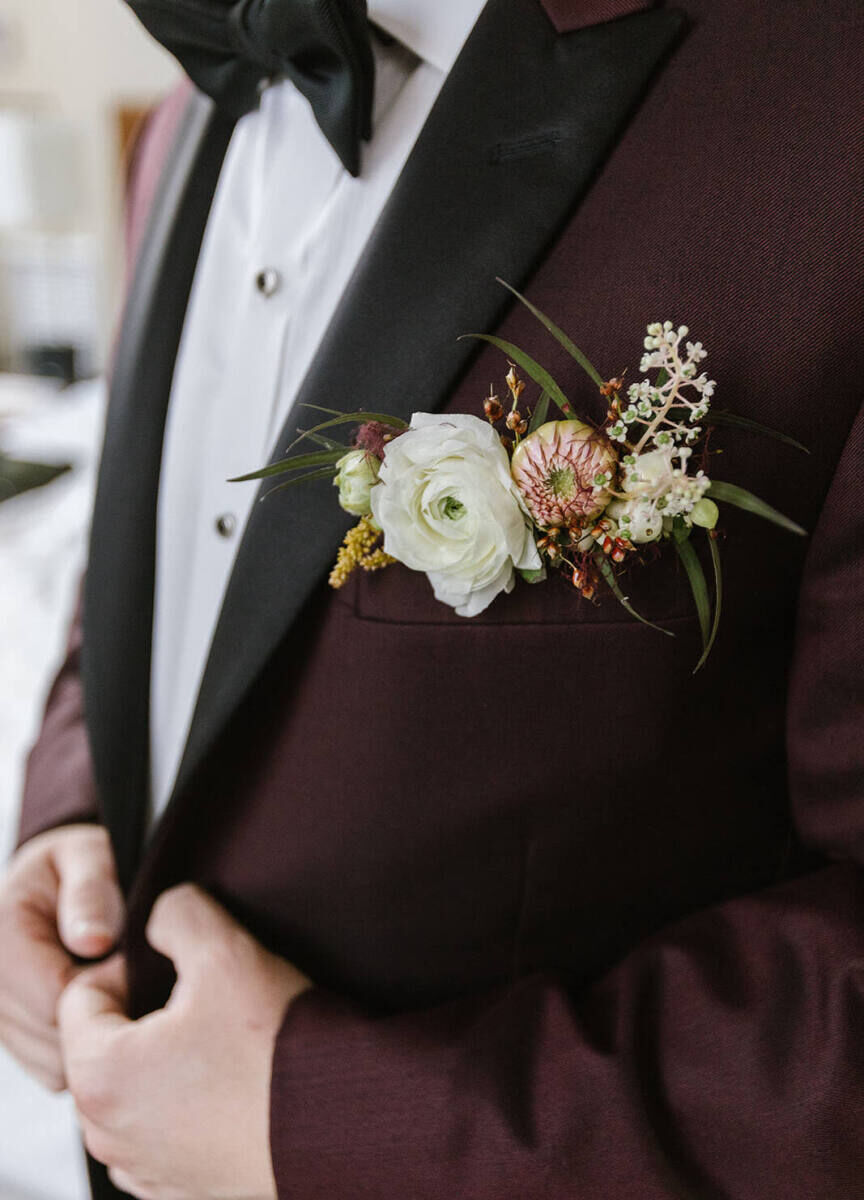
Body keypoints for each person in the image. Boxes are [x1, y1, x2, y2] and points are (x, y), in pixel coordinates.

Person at [1, 0, 863, 1196]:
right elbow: (163, 560)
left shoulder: (828, 101)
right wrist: (70, 813)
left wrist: (331, 1124)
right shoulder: (182, 119)